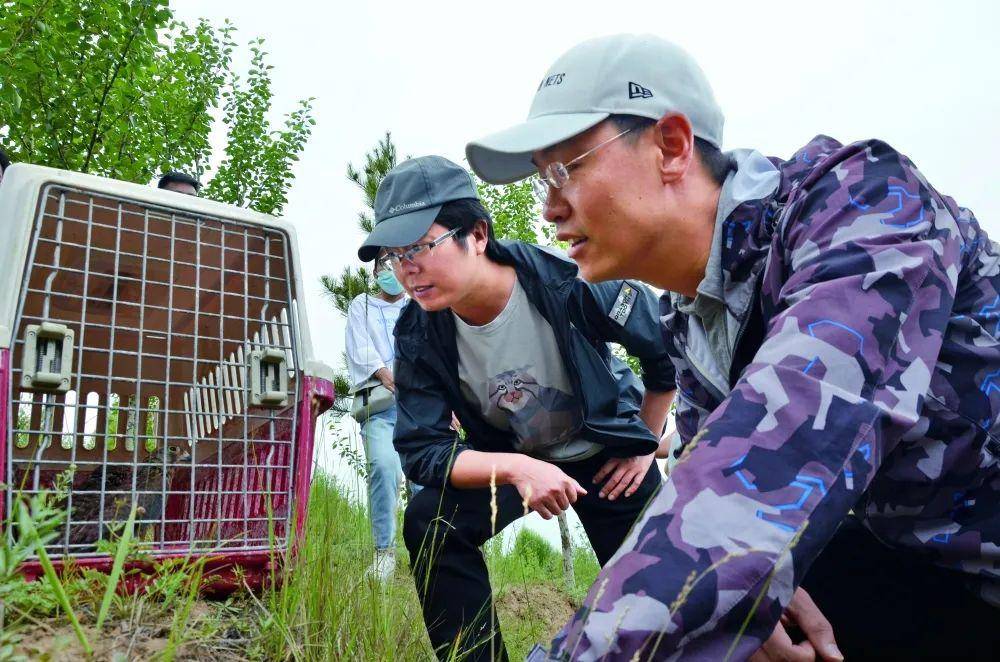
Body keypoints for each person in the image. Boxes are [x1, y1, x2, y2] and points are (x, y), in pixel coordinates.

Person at [468, 33, 1000, 661]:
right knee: (747, 612)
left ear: (671, 146)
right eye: (541, 181)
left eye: (565, 169)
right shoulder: (693, 324)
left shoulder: (864, 207)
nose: (550, 207)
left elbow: (786, 441)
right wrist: (761, 588)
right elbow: (705, 490)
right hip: (935, 577)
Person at [357, 155, 676, 661]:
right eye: (393, 256)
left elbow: (666, 351)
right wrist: (517, 468)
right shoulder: (418, 333)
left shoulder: (567, 279)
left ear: (477, 234)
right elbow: (423, 450)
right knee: (429, 520)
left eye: (420, 246)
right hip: (515, 459)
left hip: (607, 457)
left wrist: (643, 442)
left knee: (666, 606)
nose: (406, 268)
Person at [345, 261, 411, 581]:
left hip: (419, 409)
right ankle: (384, 551)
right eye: (383, 263)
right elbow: (360, 349)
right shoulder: (363, 305)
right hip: (381, 408)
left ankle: (429, 552)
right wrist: (387, 375)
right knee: (384, 467)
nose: (391, 269)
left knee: (424, 481)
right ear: (375, 272)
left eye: (396, 260)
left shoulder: (420, 304)